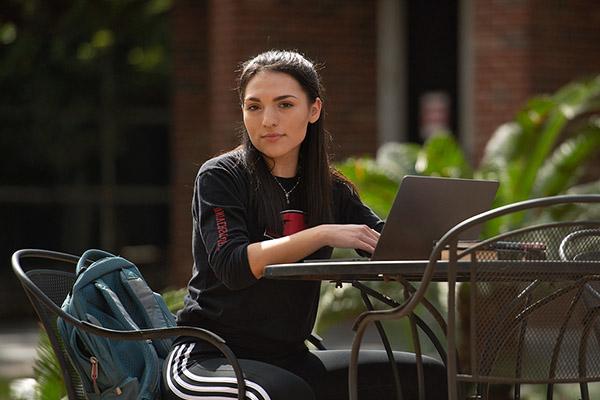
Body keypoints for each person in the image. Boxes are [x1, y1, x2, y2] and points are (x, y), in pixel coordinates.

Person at [163, 50, 446, 400]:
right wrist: (323, 233)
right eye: (254, 106)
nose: (268, 120)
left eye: (284, 105)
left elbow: (384, 243)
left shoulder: (330, 189)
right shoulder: (221, 176)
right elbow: (233, 266)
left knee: (427, 376)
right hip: (209, 356)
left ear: (314, 110)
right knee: (285, 393)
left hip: (290, 358)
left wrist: (455, 244)